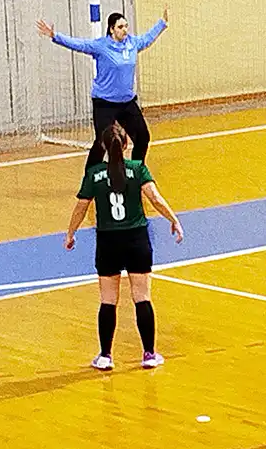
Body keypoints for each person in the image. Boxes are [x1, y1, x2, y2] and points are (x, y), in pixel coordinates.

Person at [65, 122, 184, 371]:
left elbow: (81, 207)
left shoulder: (94, 174)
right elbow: (155, 198)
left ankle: (105, 356)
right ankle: (149, 354)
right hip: (136, 239)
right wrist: (173, 219)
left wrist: (71, 233)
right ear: (126, 144)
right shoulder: (138, 169)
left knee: (108, 300)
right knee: (142, 297)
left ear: (103, 146)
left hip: (108, 242)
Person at [37, 8, 169, 169]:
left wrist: (162, 23)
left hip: (127, 103)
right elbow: (80, 44)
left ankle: (137, 171)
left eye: (126, 26)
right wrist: (54, 36)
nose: (125, 30)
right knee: (102, 142)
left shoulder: (132, 43)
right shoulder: (101, 46)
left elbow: (147, 38)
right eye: (120, 27)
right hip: (105, 103)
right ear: (112, 29)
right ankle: (90, 176)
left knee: (143, 137)